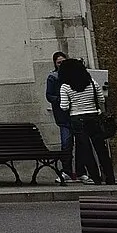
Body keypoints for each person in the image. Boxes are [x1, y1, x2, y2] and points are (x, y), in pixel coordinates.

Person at [58, 56, 117, 184]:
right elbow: (101, 100)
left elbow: (64, 106)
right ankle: (110, 177)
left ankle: (95, 177)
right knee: (101, 149)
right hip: (94, 117)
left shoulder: (65, 86)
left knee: (86, 150)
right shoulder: (92, 82)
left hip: (77, 119)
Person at [45, 51, 72, 179]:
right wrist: (61, 100)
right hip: (62, 115)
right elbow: (49, 95)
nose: (61, 64)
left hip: (74, 113)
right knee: (66, 143)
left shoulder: (73, 76)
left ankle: (79, 171)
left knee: (81, 144)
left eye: (63, 62)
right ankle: (67, 170)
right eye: (59, 62)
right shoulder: (53, 77)